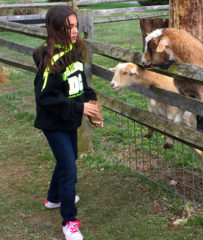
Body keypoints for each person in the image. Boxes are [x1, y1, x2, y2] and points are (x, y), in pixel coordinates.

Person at [33, 5, 103, 240]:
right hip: (53, 123)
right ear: (56, 29)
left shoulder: (74, 52)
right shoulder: (49, 61)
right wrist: (78, 107)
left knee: (67, 160)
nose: (75, 31)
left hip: (69, 119)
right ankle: (69, 221)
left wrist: (90, 102)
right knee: (70, 168)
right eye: (69, 27)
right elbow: (45, 99)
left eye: (75, 26)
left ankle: (53, 198)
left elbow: (79, 85)